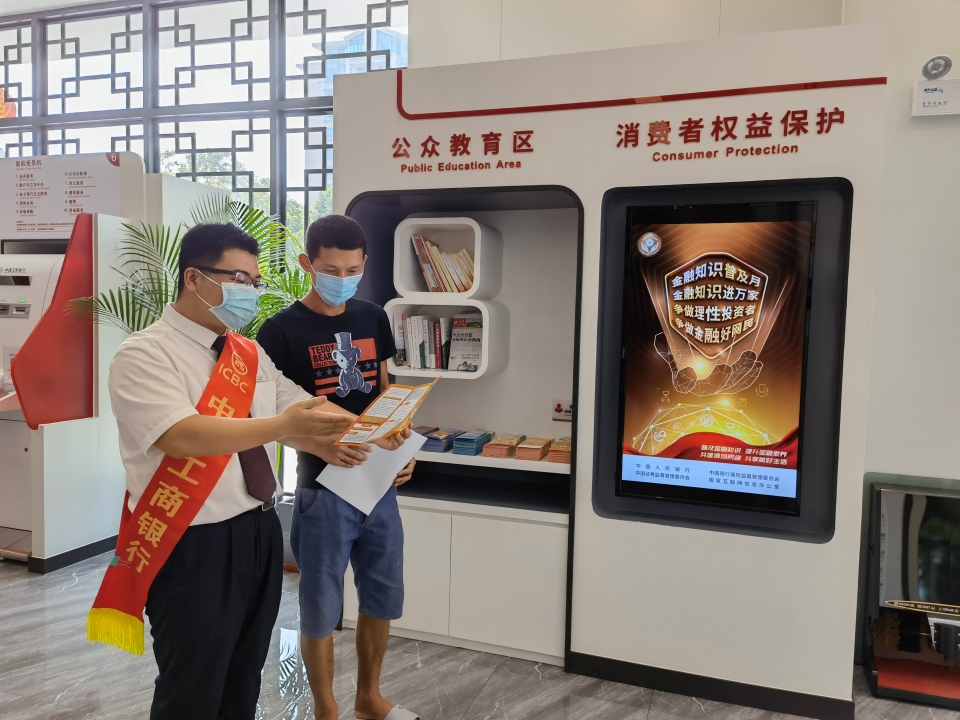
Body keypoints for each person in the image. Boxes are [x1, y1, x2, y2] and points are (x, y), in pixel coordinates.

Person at [89, 223, 373, 720]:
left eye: (255, 282)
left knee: (244, 676)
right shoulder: (145, 353)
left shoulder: (247, 352)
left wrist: (372, 430)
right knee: (193, 684)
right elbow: (180, 435)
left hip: (259, 530)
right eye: (239, 279)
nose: (250, 292)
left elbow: (299, 406)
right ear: (193, 278)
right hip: (191, 542)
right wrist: (285, 425)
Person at [257, 215, 418, 720]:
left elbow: (385, 391)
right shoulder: (279, 331)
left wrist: (402, 446)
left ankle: (369, 698)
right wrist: (318, 446)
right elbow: (264, 420)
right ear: (307, 264)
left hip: (379, 484)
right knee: (320, 608)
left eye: (352, 270)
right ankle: (326, 709)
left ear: (364, 263)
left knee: (382, 597)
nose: (342, 279)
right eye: (330, 269)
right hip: (321, 491)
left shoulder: (373, 317)